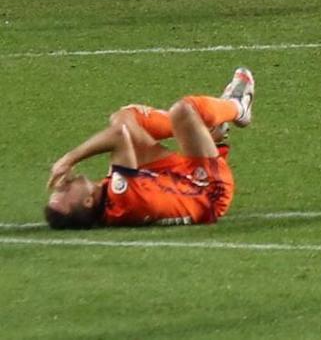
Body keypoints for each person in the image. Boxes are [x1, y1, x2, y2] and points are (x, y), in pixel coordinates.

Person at [44, 68, 255, 228]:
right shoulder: (122, 198)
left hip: (167, 179)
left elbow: (122, 131)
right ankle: (237, 107)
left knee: (124, 118)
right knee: (184, 110)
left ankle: (204, 130)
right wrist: (69, 159)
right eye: (65, 192)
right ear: (88, 201)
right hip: (206, 189)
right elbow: (118, 137)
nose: (62, 185)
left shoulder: (109, 200)